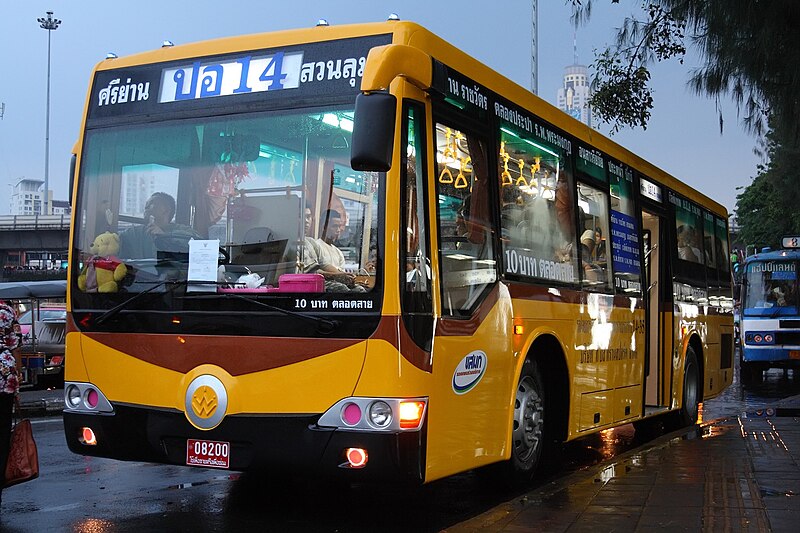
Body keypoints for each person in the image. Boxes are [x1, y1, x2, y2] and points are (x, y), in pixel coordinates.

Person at [119, 192, 198, 259]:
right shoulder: (134, 233)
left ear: (166, 210)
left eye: (152, 203)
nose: (146, 207)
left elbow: (196, 242)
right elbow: (116, 243)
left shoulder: (183, 230)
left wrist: (164, 236)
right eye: (146, 204)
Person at [304, 209, 365, 292]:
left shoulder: (338, 252)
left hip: (339, 283)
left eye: (339, 227)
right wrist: (338, 275)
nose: (338, 230)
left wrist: (349, 278)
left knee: (360, 290)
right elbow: (316, 270)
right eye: (335, 226)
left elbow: (328, 266)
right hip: (324, 285)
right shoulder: (315, 245)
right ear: (324, 227)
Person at [0, 302, 22, 507]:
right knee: (3, 432)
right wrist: (19, 380)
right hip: (5, 375)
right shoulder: (7, 311)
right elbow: (15, 346)